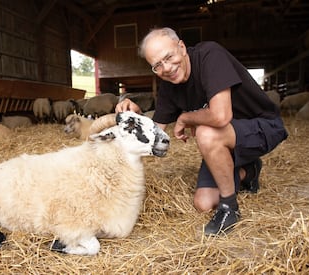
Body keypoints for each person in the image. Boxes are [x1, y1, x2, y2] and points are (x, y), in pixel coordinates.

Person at [115, 27, 288, 236]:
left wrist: (185, 118)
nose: (167, 68)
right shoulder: (169, 87)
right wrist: (136, 115)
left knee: (206, 131)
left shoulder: (209, 55)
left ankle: (229, 209)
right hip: (224, 140)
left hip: (261, 126)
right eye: (157, 66)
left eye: (168, 57)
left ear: (181, 47)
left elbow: (221, 116)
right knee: (203, 203)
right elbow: (155, 133)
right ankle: (248, 172)